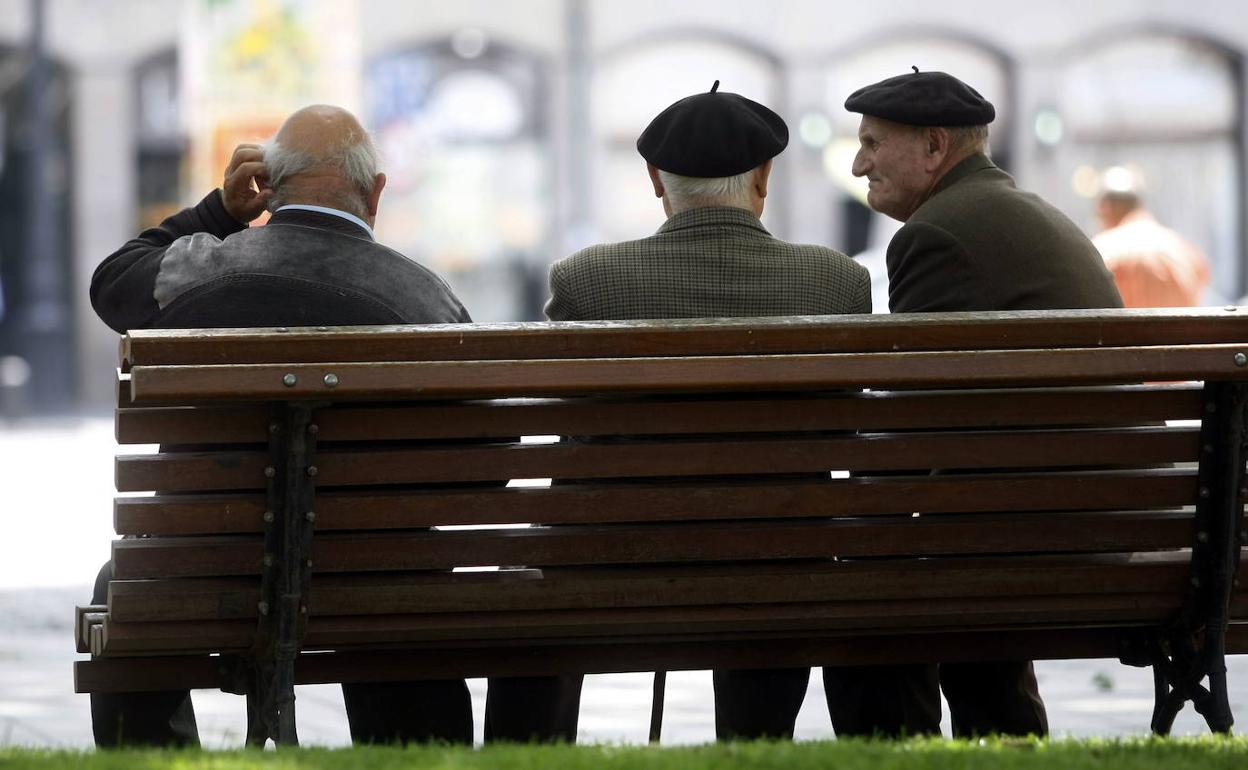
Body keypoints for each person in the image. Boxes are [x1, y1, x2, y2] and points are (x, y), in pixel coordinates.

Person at [88, 104, 478, 747]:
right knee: (412, 584)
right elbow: (477, 464)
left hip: (203, 566)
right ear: (375, 192)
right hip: (383, 573)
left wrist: (216, 212)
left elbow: (112, 285)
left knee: (122, 583)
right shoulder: (424, 299)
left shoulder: (197, 272)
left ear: (267, 186)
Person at [546, 81, 872, 741]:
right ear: (764, 176)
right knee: (777, 537)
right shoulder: (837, 281)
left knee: (545, 563)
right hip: (784, 556)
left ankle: (526, 749)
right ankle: (754, 746)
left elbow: (567, 432)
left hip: (617, 554)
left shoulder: (584, 281)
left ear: (655, 182)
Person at [841, 69, 1123, 738]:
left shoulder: (937, 234)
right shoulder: (1024, 212)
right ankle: (1007, 739)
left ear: (935, 147)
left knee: (863, 590)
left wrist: (847, 515)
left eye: (874, 144)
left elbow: (910, 433)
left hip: (1034, 530)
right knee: (942, 547)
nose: (858, 164)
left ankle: (900, 755)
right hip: (1100, 513)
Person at [1093, 175, 1210, 307]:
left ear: (1105, 208)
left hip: (1129, 328)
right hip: (1187, 328)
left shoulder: (1103, 251)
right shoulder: (1184, 249)